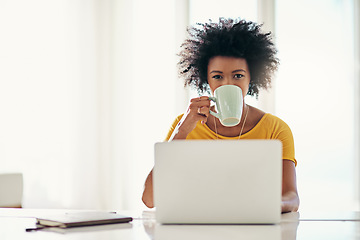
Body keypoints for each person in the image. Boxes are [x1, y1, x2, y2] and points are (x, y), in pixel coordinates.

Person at [142, 18, 299, 213]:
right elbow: (150, 199)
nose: (227, 84)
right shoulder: (184, 126)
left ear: (252, 77)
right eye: (217, 76)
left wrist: (269, 207)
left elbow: (291, 197)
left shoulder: (275, 128)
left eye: (238, 75)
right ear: (205, 79)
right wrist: (181, 132)